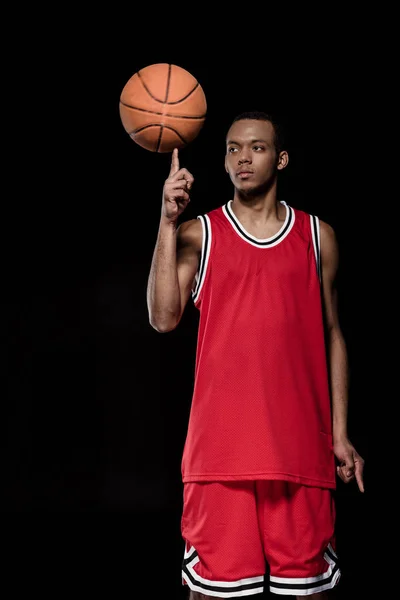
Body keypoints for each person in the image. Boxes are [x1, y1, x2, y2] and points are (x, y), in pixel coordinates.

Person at [146, 111, 365, 599]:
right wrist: (167, 221)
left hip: (300, 451)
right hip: (220, 455)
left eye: (257, 147)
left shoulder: (316, 236)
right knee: (210, 594)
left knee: (309, 592)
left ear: (281, 158)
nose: (242, 157)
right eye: (232, 149)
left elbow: (332, 334)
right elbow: (163, 318)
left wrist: (342, 434)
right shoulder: (200, 234)